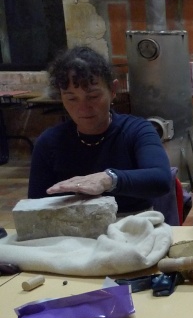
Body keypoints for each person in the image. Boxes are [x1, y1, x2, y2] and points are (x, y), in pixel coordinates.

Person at [28, 46, 172, 216]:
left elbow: (160, 179)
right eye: (71, 98)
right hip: (73, 230)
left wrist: (109, 179)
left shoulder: (137, 131)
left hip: (130, 225)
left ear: (113, 90)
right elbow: (36, 205)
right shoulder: (49, 142)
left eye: (93, 96)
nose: (83, 108)